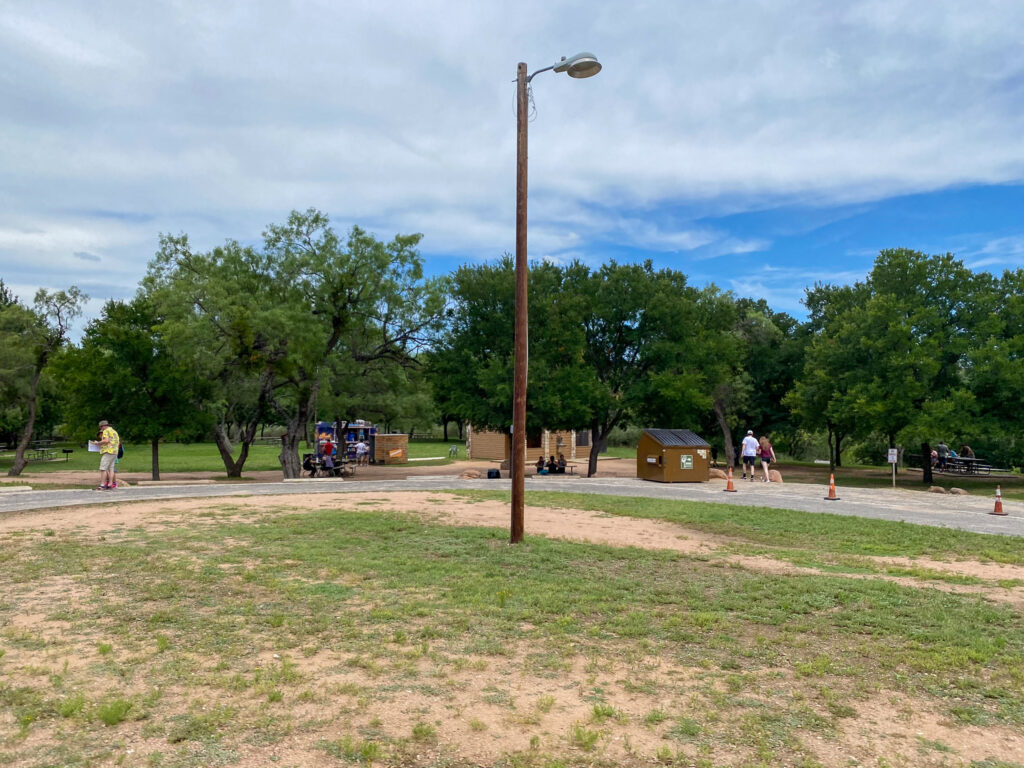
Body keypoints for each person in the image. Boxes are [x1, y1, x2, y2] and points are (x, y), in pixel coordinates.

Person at [95, 419, 120, 490]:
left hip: (108, 451)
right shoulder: (114, 431)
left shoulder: (106, 431)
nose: (101, 429)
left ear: (103, 426)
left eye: (100, 427)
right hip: (115, 452)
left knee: (103, 468)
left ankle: (102, 485)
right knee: (111, 468)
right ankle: (110, 484)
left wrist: (98, 443)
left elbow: (106, 440)